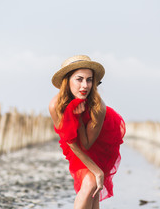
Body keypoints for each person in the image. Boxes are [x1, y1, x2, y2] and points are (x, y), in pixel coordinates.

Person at [49, 55, 126, 209]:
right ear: (67, 80)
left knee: (93, 188)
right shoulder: (55, 106)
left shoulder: (98, 108)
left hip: (99, 142)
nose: (85, 85)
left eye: (89, 79)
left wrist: (80, 123)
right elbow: (71, 142)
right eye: (79, 79)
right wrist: (97, 172)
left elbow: (87, 144)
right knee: (91, 181)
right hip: (73, 146)